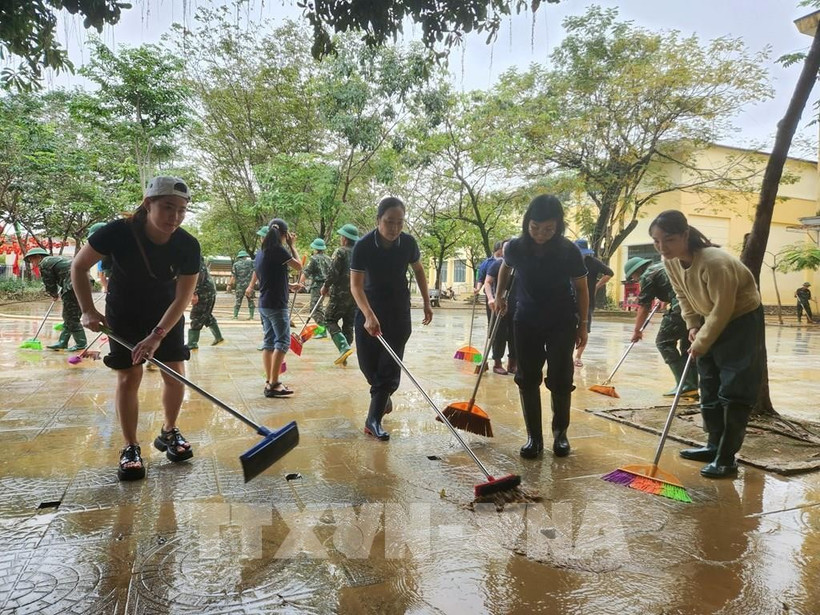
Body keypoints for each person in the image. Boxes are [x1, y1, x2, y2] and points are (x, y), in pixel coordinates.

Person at [70, 176, 200, 481]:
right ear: (148, 204)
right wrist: (88, 309)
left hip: (166, 314)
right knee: (130, 376)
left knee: (175, 373)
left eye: (182, 210)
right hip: (124, 313)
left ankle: (169, 431)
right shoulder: (118, 232)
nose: (175, 217)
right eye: (168, 207)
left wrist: (157, 335)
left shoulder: (188, 244)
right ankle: (130, 447)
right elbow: (78, 266)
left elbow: (183, 298)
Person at [649, 210, 764, 478]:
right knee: (708, 382)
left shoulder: (714, 262)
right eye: (656, 241)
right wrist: (692, 326)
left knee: (734, 388)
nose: (662, 247)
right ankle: (713, 445)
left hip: (740, 320)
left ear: (685, 235)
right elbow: (682, 295)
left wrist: (702, 340)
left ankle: (726, 457)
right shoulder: (671, 261)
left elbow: (724, 308)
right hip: (706, 318)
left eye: (669, 240)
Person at [493, 195, 588, 459]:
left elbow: (581, 288)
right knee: (527, 377)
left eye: (548, 229)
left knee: (560, 377)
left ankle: (560, 434)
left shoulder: (569, 251)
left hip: (561, 320)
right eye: (535, 227)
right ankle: (534, 437)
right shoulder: (515, 247)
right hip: (526, 319)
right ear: (527, 223)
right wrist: (500, 295)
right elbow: (505, 268)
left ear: (558, 226)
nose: (541, 234)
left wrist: (584, 325)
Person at [350, 196, 433, 440]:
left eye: (400, 222)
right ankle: (382, 397)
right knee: (368, 366)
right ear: (378, 221)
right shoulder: (363, 246)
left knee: (389, 366)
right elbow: (355, 286)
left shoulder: (408, 244)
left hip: (398, 312)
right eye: (389, 222)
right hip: (368, 309)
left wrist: (427, 303)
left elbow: (419, 270)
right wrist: (368, 315)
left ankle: (372, 420)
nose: (395, 228)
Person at [625, 256, 698, 398]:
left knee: (663, 342)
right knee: (687, 346)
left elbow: (643, 306)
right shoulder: (660, 267)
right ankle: (691, 385)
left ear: (637, 271)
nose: (634, 280)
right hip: (699, 303)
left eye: (632, 277)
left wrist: (637, 331)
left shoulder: (647, 276)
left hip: (682, 307)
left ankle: (686, 385)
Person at [247, 218, 302, 398]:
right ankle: (275, 383)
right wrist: (293, 246)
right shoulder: (278, 250)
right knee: (283, 342)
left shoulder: (261, 252)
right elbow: (299, 266)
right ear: (284, 235)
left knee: (269, 342)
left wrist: (288, 286)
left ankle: (270, 381)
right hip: (277, 305)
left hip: (265, 303)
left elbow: (270, 278)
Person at [24, 248, 87, 351]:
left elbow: (49, 282)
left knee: (71, 317)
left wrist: (53, 294)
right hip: (83, 282)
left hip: (73, 285)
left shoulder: (44, 263)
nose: (32, 264)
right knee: (69, 315)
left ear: (38, 257)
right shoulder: (55, 260)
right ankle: (62, 342)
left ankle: (81, 344)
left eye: (32, 260)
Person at [571, 239, 613, 368]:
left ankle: (578, 356)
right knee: (568, 329)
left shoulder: (592, 262)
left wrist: (597, 286)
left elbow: (609, 273)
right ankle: (567, 356)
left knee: (584, 328)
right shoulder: (568, 261)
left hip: (587, 301)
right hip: (569, 300)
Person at [321, 223, 358, 365]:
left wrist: (325, 286)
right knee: (348, 324)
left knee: (329, 319)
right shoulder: (359, 252)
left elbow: (333, 273)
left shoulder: (340, 252)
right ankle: (345, 356)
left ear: (345, 238)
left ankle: (343, 346)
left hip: (340, 295)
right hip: (355, 295)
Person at [485, 239, 517, 375]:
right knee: (499, 334)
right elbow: (488, 282)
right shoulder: (497, 265)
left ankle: (512, 364)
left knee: (515, 334)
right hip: (498, 304)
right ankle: (497, 363)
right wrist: (492, 298)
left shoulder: (520, 265)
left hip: (516, 305)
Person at [187, 257, 224, 349]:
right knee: (206, 315)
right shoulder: (199, 262)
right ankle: (218, 337)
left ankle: (192, 343)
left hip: (203, 293)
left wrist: (194, 293)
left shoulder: (195, 262)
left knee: (196, 315)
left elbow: (198, 279)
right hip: (208, 292)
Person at [299, 238, 332, 338]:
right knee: (320, 308)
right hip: (327, 285)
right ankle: (322, 329)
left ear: (315, 248)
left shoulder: (313, 259)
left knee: (315, 309)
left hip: (317, 286)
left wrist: (300, 283)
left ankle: (322, 330)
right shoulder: (328, 258)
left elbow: (307, 272)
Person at [228, 250, 255, 320]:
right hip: (249, 285)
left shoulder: (236, 265)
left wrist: (229, 285)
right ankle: (251, 316)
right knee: (251, 300)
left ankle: (235, 316)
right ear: (246, 256)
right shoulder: (251, 263)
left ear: (239, 257)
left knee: (238, 301)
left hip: (239, 286)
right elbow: (256, 272)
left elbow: (233, 276)